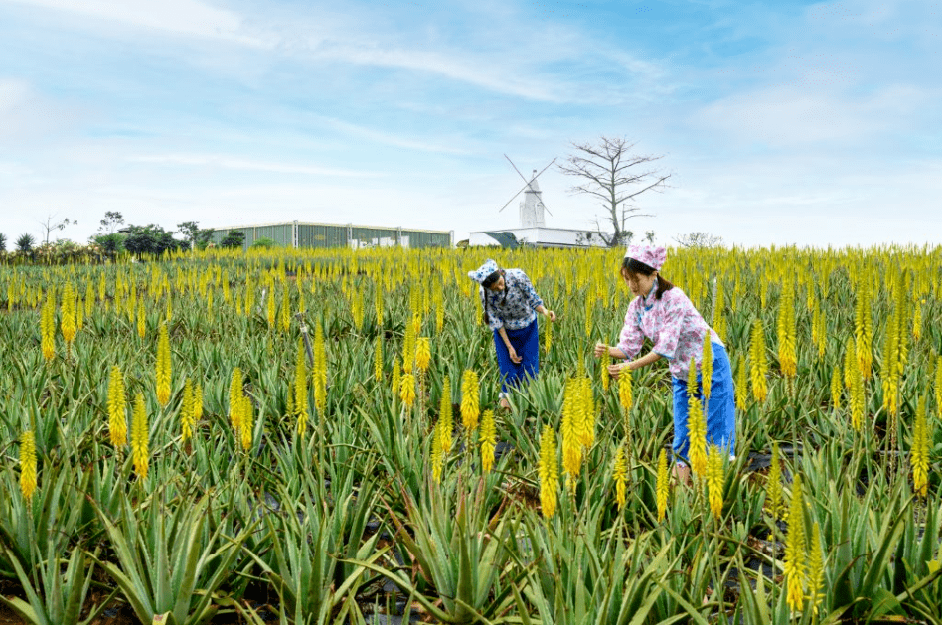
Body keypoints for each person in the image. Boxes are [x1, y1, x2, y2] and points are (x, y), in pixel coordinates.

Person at [593, 244, 735, 483]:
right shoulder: (636, 307)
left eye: (635, 279)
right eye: (627, 280)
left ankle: (716, 490)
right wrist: (608, 351)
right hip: (682, 372)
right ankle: (679, 494)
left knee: (715, 430)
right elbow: (629, 347)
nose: (631, 286)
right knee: (683, 432)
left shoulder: (673, 298)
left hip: (710, 364)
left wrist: (629, 367)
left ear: (652, 273)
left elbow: (664, 349)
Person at [468, 259, 556, 409]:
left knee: (529, 368)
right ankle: (507, 410)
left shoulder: (518, 276)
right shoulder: (485, 292)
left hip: (528, 327)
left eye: (500, 283)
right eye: (495, 288)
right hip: (505, 332)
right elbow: (495, 320)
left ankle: (528, 406)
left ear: (501, 273)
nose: (500, 288)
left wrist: (545, 311)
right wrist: (509, 347)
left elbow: (533, 298)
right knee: (508, 369)